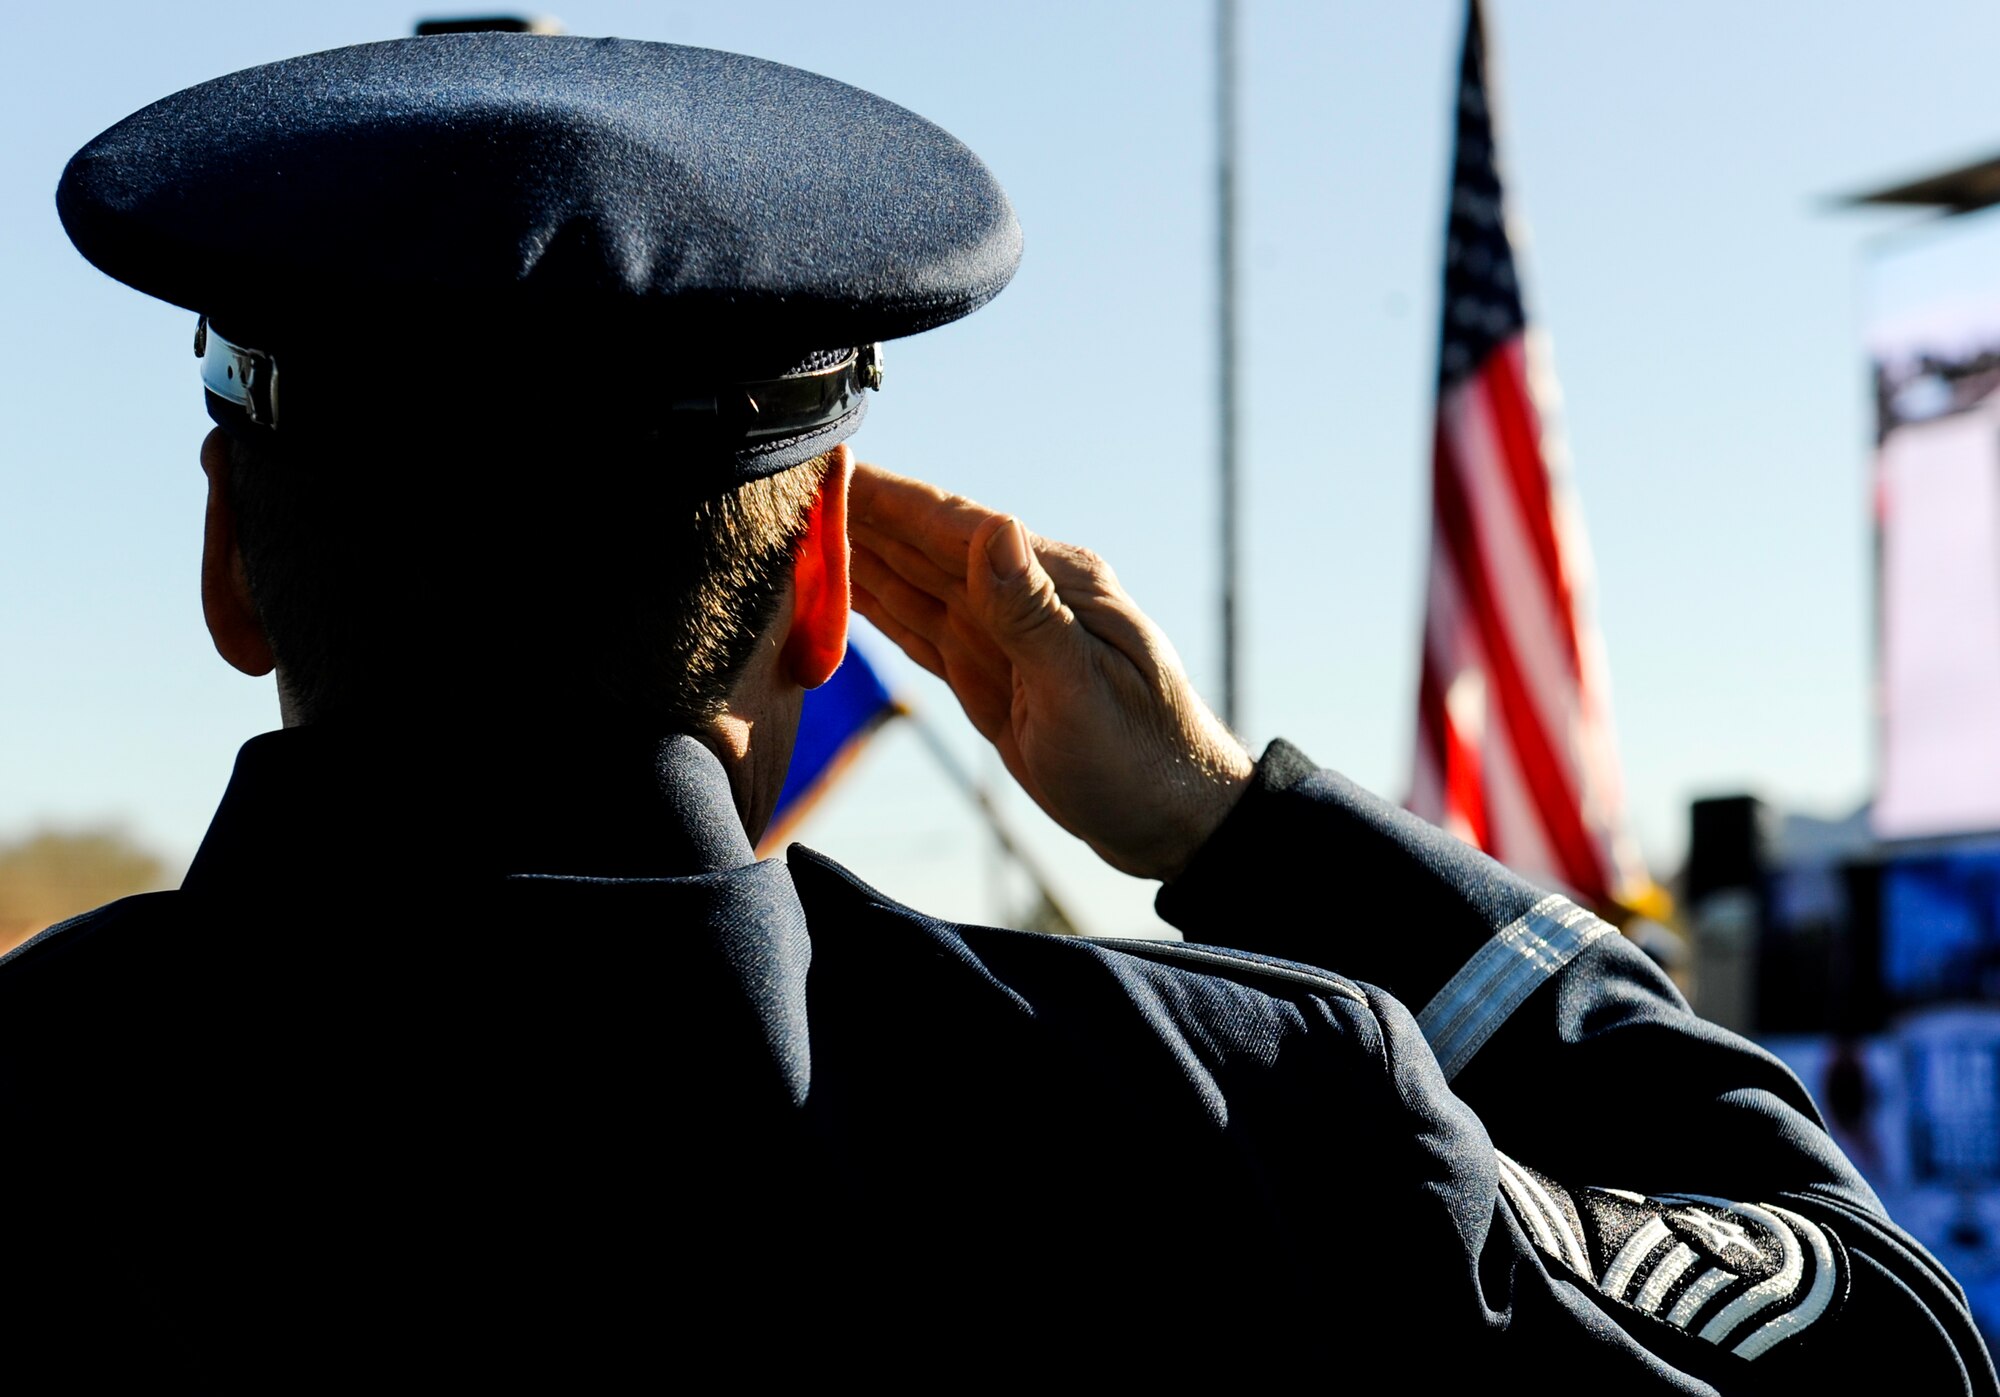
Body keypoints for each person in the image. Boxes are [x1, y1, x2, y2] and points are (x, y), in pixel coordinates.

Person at [4, 32, 1992, 1391]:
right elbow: (1885, 1349)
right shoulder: (1238, 1134)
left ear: (230, 567)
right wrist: (1240, 832)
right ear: (826, 588)